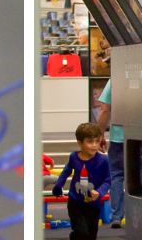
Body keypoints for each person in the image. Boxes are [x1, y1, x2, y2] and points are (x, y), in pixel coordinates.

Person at [52, 122, 111, 240]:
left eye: (97, 141)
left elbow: (108, 180)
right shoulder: (74, 157)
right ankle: (74, 236)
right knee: (81, 232)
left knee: (91, 234)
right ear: (80, 143)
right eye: (90, 141)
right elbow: (66, 171)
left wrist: (99, 192)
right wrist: (58, 185)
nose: (94, 145)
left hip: (93, 204)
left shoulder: (104, 160)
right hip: (75, 202)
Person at [96, 80, 125, 226]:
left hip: (118, 137)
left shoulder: (115, 79)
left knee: (117, 176)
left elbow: (106, 109)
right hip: (141, 135)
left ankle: (116, 216)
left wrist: (99, 134)